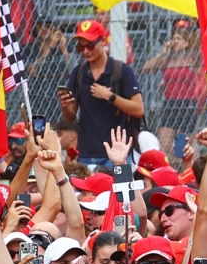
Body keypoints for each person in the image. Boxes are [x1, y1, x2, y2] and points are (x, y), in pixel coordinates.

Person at [59, 18, 144, 162]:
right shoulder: (79, 72)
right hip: (87, 152)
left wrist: (110, 96)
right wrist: (65, 106)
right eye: (81, 46)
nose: (86, 51)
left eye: (90, 45)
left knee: (120, 184)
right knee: (85, 185)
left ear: (103, 41)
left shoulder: (121, 70)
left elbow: (138, 109)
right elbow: (70, 116)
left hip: (118, 152)